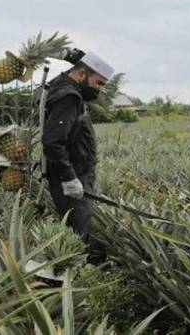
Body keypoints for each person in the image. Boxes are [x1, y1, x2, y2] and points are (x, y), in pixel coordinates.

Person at [42, 51, 114, 244]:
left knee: (77, 228)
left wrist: (72, 56)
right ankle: (72, 270)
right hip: (73, 174)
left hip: (77, 172)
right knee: (76, 234)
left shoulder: (64, 86)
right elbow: (53, 141)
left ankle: (72, 268)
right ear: (81, 75)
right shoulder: (69, 97)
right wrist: (70, 178)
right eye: (99, 83)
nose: (99, 90)